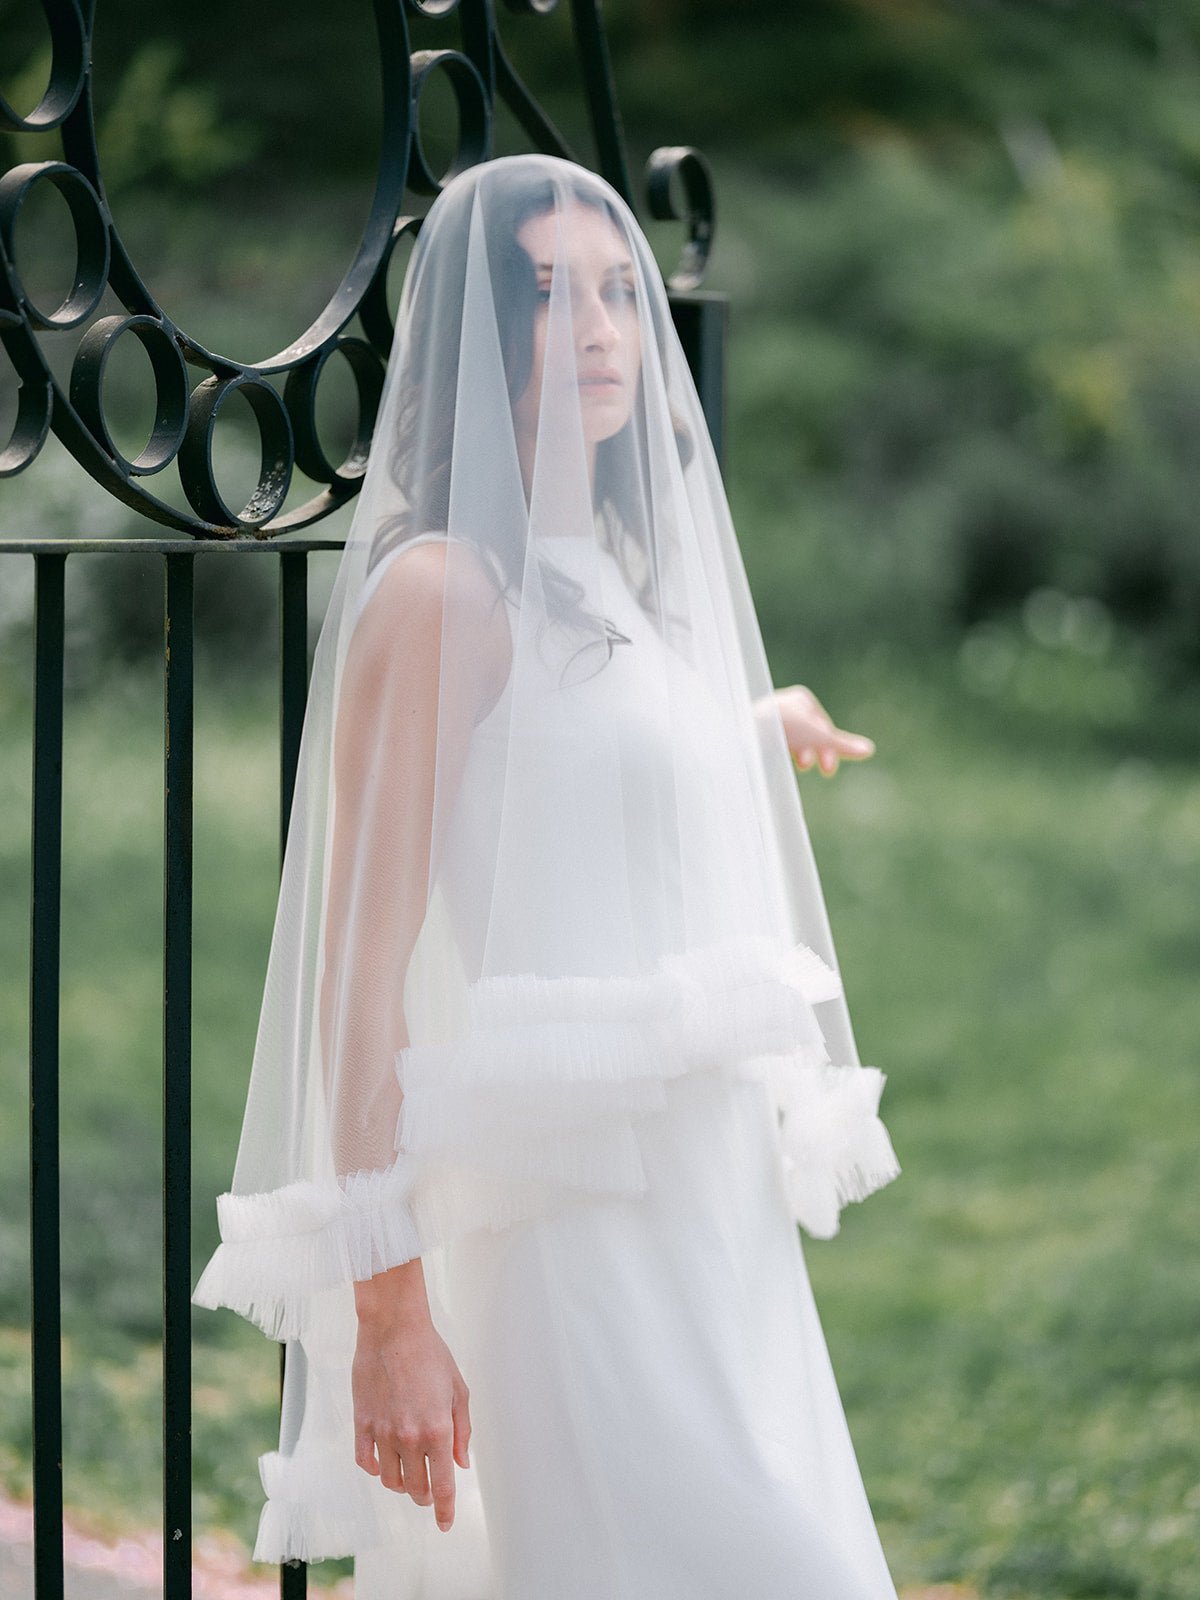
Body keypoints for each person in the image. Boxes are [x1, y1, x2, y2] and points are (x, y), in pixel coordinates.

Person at [193, 153, 902, 1599]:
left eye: (615, 293)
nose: (595, 331)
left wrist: (752, 731)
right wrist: (390, 1309)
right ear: (472, 338)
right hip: (571, 1237)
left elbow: (573, 782)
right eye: (542, 296)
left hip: (713, 1222)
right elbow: (364, 963)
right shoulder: (444, 591)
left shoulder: (605, 579)